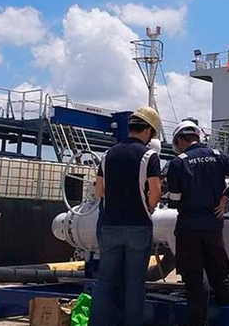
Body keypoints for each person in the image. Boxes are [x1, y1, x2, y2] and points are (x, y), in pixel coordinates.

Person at [167, 120, 229, 326]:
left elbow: (174, 202)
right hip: (214, 225)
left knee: (194, 281)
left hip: (188, 228)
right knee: (220, 277)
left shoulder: (178, 163)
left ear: (179, 140)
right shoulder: (217, 155)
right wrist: (225, 198)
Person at [90, 106, 163, 326]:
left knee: (106, 281)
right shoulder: (149, 156)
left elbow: (100, 191)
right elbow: (156, 192)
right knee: (134, 284)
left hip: (110, 226)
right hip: (138, 226)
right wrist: (147, 208)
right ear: (148, 131)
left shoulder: (108, 155)